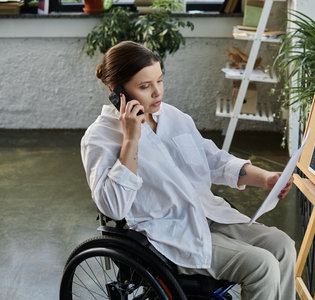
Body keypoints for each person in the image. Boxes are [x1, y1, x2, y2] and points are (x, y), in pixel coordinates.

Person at [81, 41, 296, 300]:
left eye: (159, 81)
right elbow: (112, 207)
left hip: (208, 215)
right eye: (145, 86)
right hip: (167, 234)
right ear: (116, 91)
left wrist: (266, 179)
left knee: (283, 245)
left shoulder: (174, 117)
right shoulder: (100, 137)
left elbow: (214, 161)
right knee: (262, 265)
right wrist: (130, 140)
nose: (157, 92)